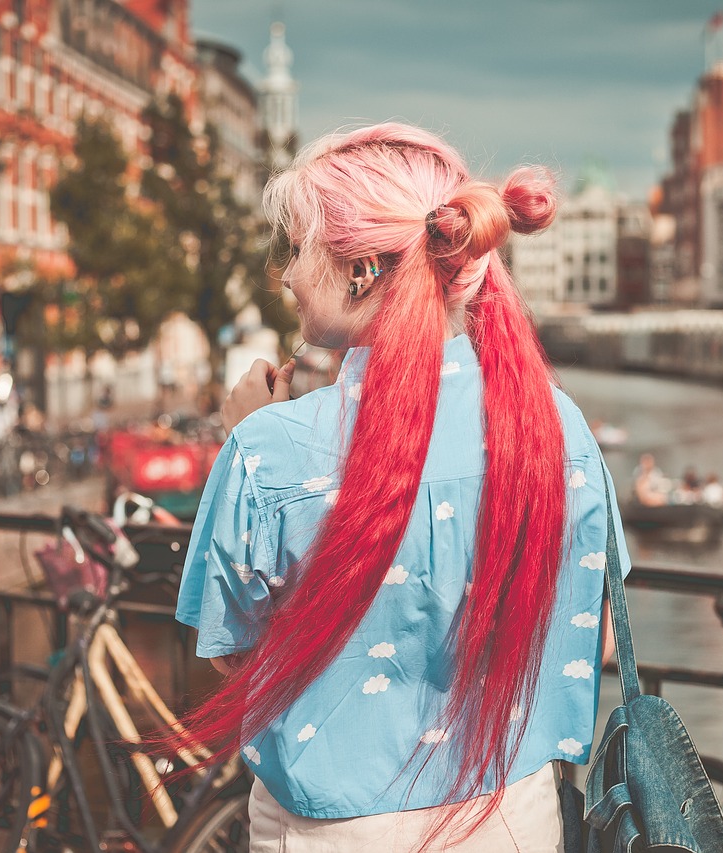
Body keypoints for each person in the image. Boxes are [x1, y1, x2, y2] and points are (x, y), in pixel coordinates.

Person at [174, 123, 633, 852]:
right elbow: (599, 628)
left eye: (294, 247)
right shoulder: (559, 426)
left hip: (338, 830)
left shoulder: (272, 448)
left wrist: (245, 438)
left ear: (358, 270)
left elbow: (236, 655)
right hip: (513, 813)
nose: (286, 274)